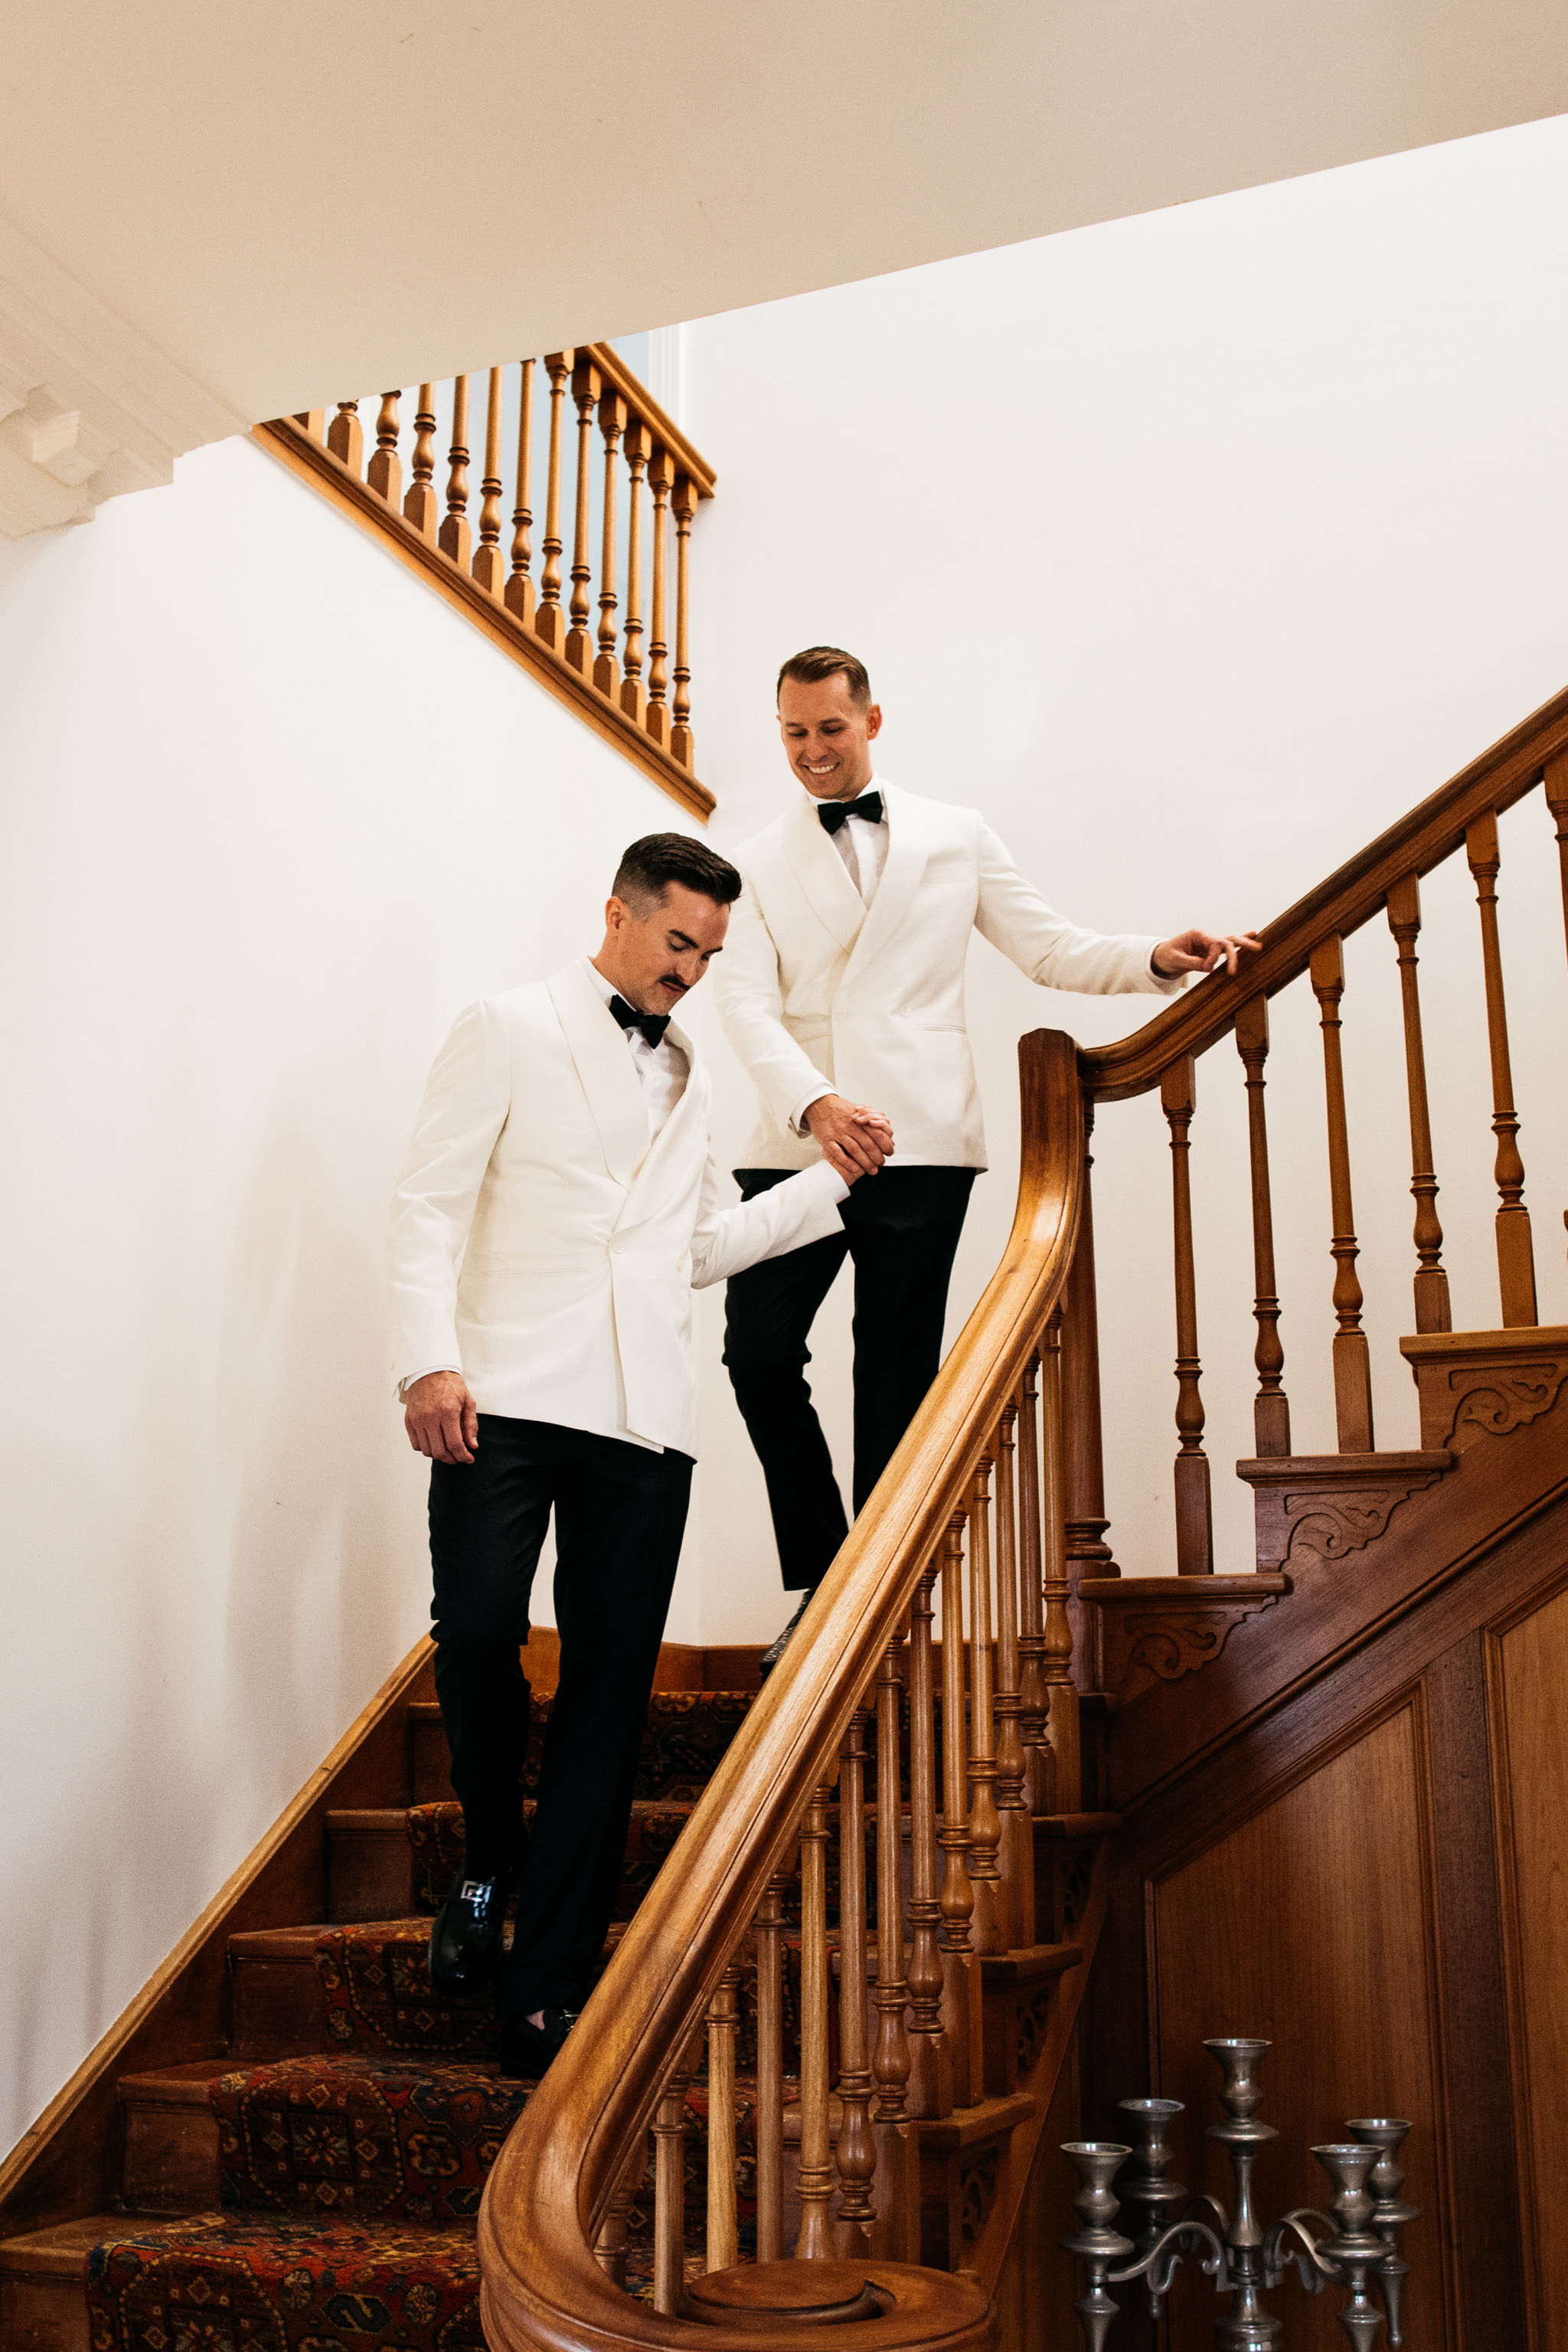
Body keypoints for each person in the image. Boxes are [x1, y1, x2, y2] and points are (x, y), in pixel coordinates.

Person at [387, 832, 873, 2077]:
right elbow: (430, 1204)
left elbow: (699, 1246)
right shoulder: (505, 1026)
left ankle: (545, 1989)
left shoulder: (693, 1073)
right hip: (501, 1393)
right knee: (478, 1634)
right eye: (677, 944)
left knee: (608, 1701)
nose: (692, 973)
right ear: (618, 915)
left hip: (645, 1420)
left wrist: (829, 1182)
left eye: (710, 954)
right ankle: (489, 1854)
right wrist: (427, 1359)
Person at [714, 645, 1260, 1671]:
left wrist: (1154, 957)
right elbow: (742, 1005)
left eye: (830, 729)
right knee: (757, 1353)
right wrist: (815, 1102)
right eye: (793, 733)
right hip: (797, 1139)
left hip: (920, 1139)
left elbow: (1047, 946)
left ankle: (873, 1609)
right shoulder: (749, 863)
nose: (812, 751)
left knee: (895, 1376)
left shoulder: (955, 835)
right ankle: (826, 1577)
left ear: (872, 721)